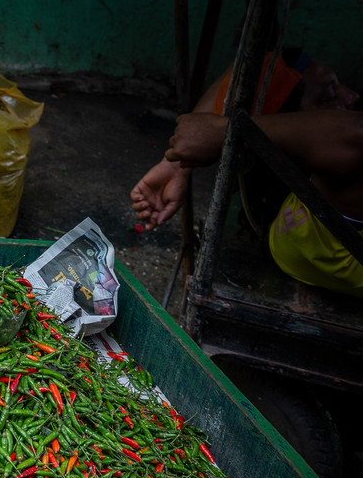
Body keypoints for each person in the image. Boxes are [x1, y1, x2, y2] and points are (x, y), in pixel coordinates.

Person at [131, 51, 363, 297]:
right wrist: (229, 132)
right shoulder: (333, 201)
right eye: (329, 97)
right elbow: (356, 132)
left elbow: (251, 60)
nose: (353, 96)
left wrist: (176, 165)